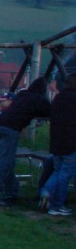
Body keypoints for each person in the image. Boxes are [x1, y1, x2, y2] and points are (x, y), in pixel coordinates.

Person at [0, 77, 50, 207]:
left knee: (7, 161)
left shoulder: (22, 95)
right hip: (12, 128)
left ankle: (12, 191)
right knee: (4, 163)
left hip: (1, 124)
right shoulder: (38, 100)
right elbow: (49, 111)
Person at [39, 74, 76, 216]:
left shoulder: (59, 98)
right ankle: (55, 203)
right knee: (65, 175)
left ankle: (47, 194)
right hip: (71, 142)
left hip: (56, 141)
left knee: (58, 171)